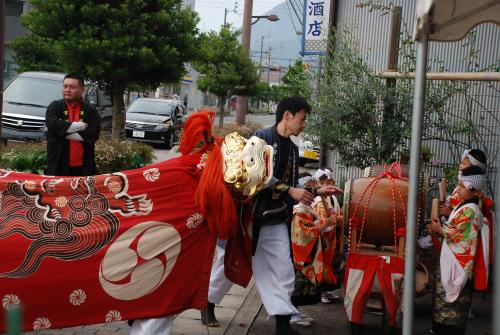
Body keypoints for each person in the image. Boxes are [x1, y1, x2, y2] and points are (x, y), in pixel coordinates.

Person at [250, 96, 341, 335]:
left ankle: (282, 326)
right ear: (287, 116)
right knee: (229, 266)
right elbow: (256, 176)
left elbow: (293, 186)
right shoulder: (261, 138)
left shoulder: (291, 147)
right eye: (302, 119)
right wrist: (290, 190)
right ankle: (208, 304)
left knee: (283, 271)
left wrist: (318, 190)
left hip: (278, 218)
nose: (304, 124)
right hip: (252, 219)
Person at [429, 165, 488, 335]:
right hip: (453, 260)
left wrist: (440, 229)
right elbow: (457, 229)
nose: (459, 189)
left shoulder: (471, 209)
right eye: (460, 185)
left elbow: (458, 235)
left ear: (475, 191)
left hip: (458, 264)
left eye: (463, 186)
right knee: (443, 307)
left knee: (452, 313)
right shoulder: (466, 206)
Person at [45, 73, 101, 176]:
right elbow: (52, 124)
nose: (67, 90)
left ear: (82, 90)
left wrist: (62, 132)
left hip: (83, 165)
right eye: (65, 86)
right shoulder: (55, 106)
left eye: (72, 87)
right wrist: (81, 126)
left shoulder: (91, 111)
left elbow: (93, 134)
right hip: (58, 163)